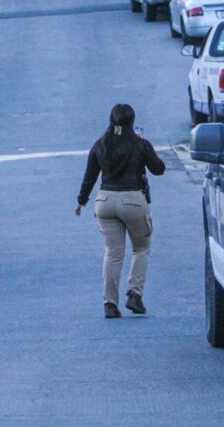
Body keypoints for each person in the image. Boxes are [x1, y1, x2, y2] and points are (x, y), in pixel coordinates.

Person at [76, 104, 166, 319]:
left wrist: (81, 201)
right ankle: (135, 293)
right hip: (133, 201)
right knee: (141, 249)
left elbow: (90, 176)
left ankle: (109, 303)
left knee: (113, 254)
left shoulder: (101, 145)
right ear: (132, 122)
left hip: (105, 201)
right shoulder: (139, 144)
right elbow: (159, 169)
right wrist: (144, 144)